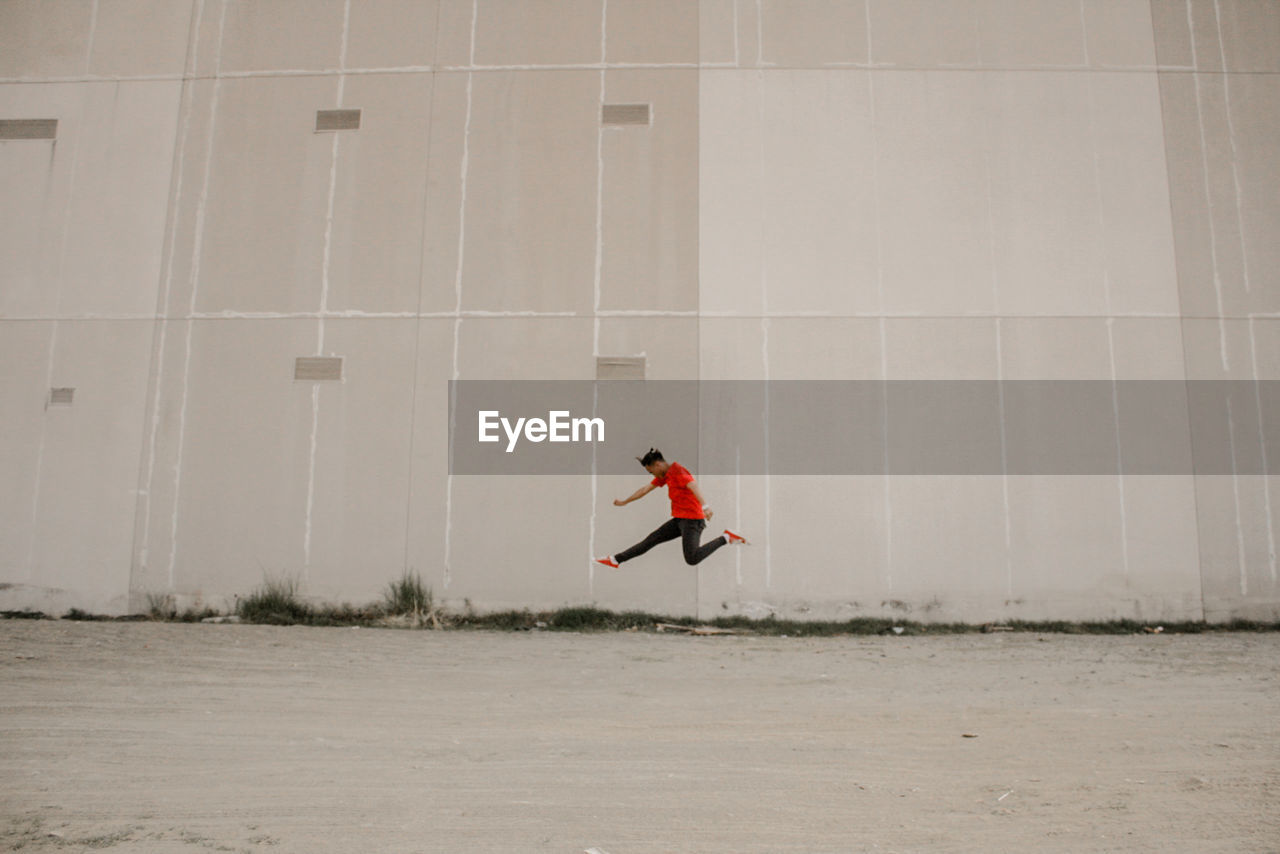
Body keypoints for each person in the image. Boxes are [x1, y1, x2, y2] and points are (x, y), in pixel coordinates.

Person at [595, 448, 748, 569]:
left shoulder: (677, 471)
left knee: (692, 559)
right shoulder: (665, 475)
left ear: (658, 464)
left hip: (692, 521)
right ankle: (615, 560)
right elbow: (644, 489)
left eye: (650, 471)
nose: (651, 474)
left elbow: (693, 485)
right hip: (679, 520)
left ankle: (726, 538)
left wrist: (706, 506)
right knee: (650, 540)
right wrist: (625, 502)